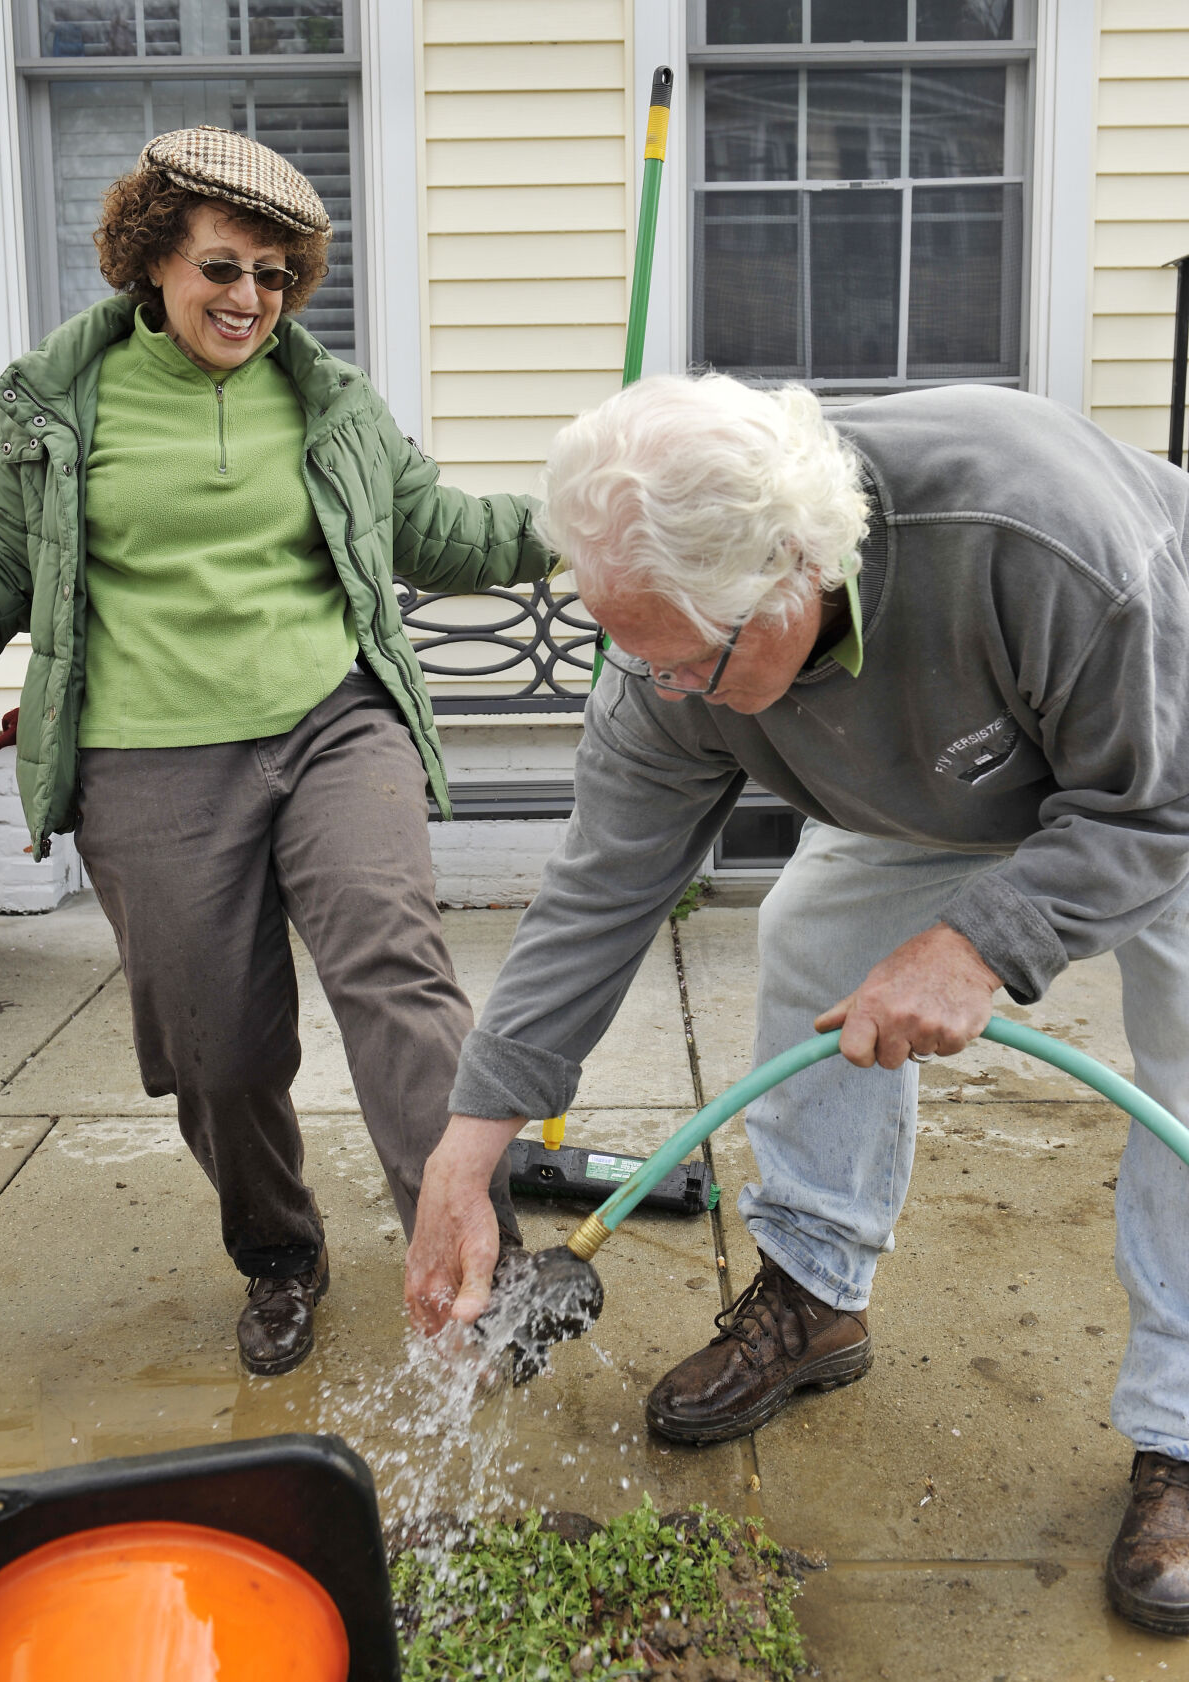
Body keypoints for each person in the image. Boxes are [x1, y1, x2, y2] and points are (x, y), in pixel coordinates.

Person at [404, 372, 1189, 1634]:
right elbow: (601, 890)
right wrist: (471, 1134)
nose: (654, 688)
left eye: (681, 659)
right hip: (948, 775)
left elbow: (1150, 806)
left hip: (1159, 764)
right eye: (628, 649)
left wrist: (978, 941)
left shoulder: (1033, 539)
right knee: (811, 929)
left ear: (797, 570)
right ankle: (815, 1294)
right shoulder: (671, 655)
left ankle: (1182, 1430)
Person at [0, 125, 553, 1377]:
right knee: (215, 1051)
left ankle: (478, 1263)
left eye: (277, 276)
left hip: (332, 723)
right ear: (151, 257)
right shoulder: (55, 404)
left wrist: (583, 519)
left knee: (397, 973)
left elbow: (436, 531)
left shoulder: (327, 401)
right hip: (146, 755)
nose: (251, 299)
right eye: (226, 268)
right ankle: (281, 1255)